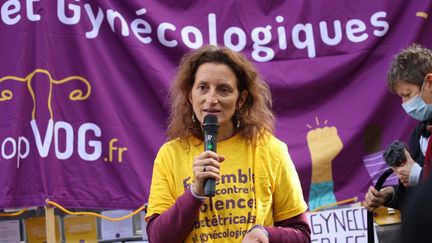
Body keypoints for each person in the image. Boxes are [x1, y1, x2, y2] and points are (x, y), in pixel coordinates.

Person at [145, 45, 310, 243]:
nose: (211, 99)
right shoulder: (170, 155)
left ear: (241, 99)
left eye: (223, 90)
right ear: (190, 95)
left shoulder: (270, 149)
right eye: (203, 87)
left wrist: (266, 234)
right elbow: (157, 239)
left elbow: (301, 234)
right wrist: (195, 191)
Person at [363, 44, 432, 212]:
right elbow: (417, 200)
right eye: (401, 97)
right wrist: (390, 195)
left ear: (429, 82)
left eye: (407, 94)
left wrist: (418, 175)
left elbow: (421, 179)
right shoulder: (418, 133)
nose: (405, 103)